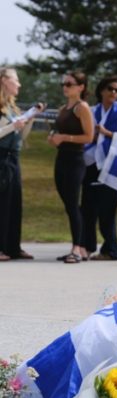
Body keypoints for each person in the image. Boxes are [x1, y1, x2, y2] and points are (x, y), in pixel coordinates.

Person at [81, 75, 117, 261]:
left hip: (112, 167)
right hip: (91, 165)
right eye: (110, 89)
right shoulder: (91, 111)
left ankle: (111, 249)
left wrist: (107, 134)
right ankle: (87, 246)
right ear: (102, 91)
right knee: (88, 209)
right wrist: (94, 137)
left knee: (107, 211)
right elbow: (84, 134)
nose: (114, 93)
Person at [48, 71, 95, 264]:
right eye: (64, 84)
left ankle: (78, 247)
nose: (65, 87)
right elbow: (59, 130)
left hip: (75, 160)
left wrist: (65, 138)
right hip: (61, 159)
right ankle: (80, 246)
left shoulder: (82, 108)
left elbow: (89, 137)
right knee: (69, 205)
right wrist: (53, 137)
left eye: (70, 84)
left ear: (81, 87)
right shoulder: (63, 108)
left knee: (74, 204)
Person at [0, 67, 43, 261]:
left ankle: (12, 246)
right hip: (1, 158)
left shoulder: (12, 108)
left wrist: (29, 119)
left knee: (14, 203)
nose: (19, 84)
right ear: (4, 81)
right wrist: (12, 126)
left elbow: (21, 137)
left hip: (13, 158)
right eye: (15, 80)